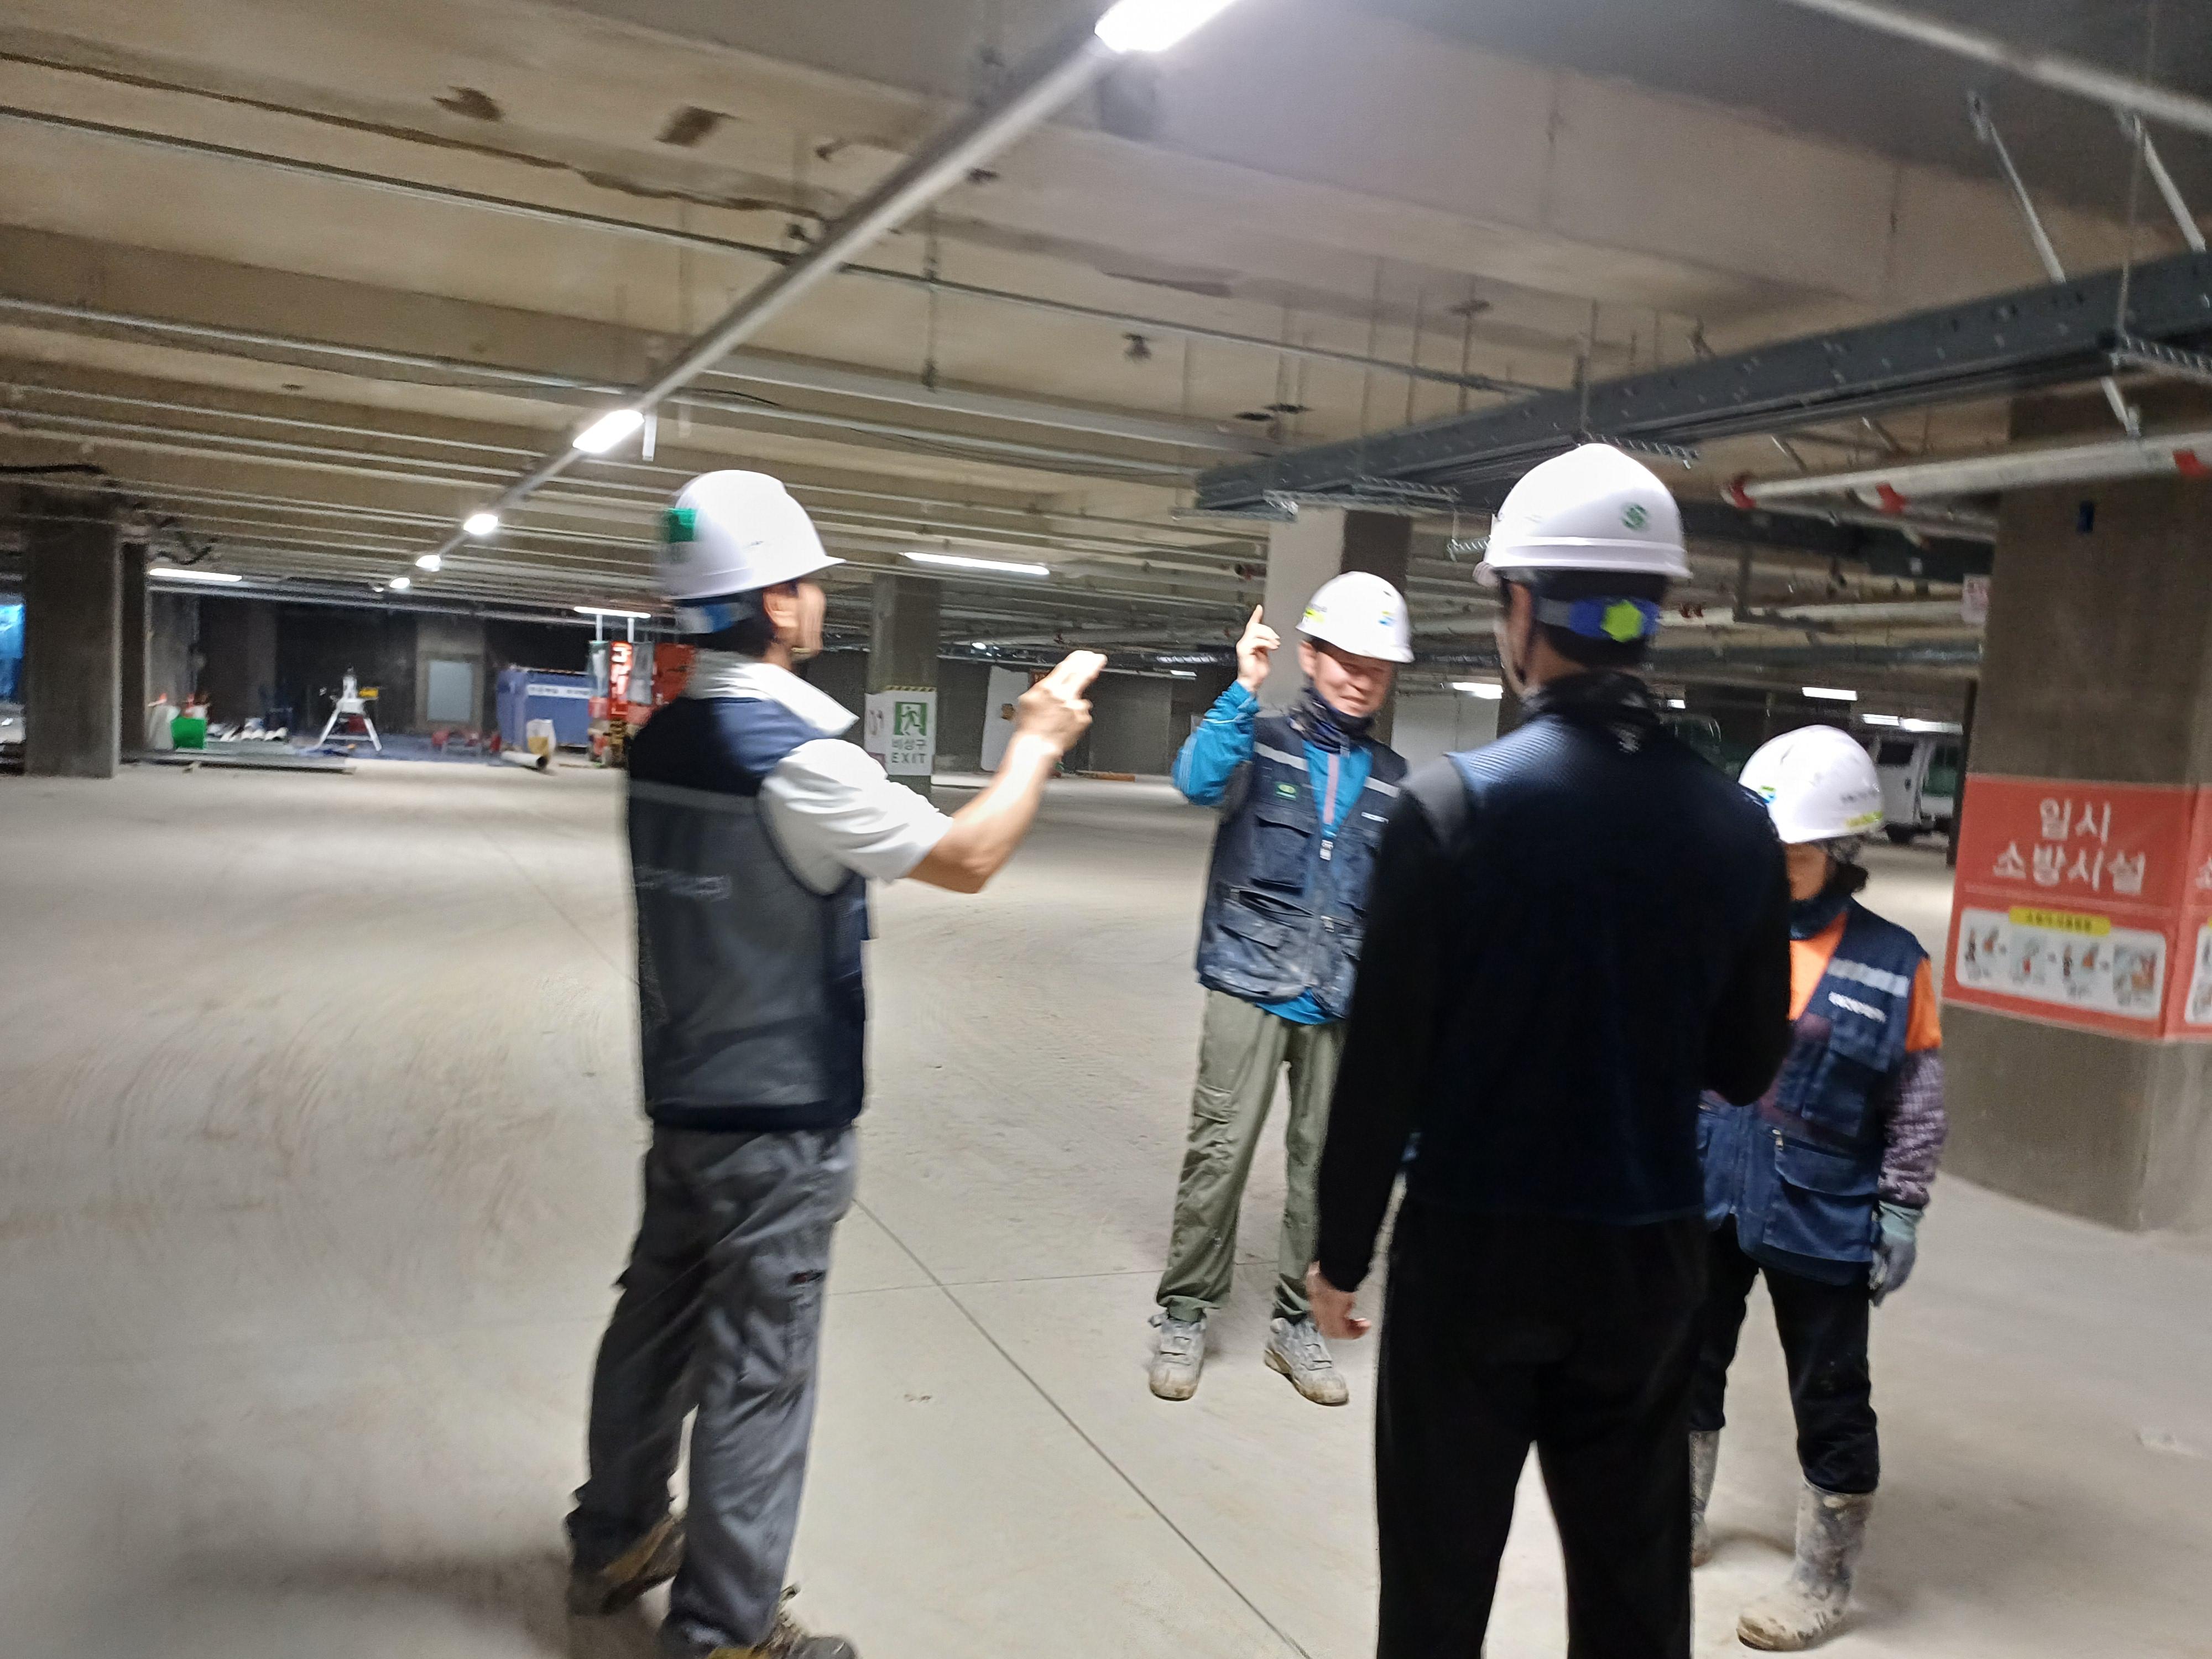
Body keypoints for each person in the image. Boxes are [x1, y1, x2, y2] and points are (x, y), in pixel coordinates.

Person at [566, 469, 1103, 1659]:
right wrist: (1035, 743)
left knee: (652, 1324)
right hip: (778, 1122)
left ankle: (614, 1537)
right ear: (773, 603)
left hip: (686, 1095)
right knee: (758, 1375)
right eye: (807, 582)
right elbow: (967, 857)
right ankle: (725, 1631)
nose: (818, 599)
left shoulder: (661, 740)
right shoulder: (796, 759)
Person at [1306, 444, 1795, 1658]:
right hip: (1646, 1259)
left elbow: (1382, 1069)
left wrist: (1340, 1250)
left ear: (1521, 606)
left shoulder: (1450, 808)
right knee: (1633, 1603)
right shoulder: (1738, 829)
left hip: (1473, 1253)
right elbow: (1745, 1067)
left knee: (1435, 1593)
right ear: (1652, 614)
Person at [1688, 724, 1947, 1652]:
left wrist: (1901, 1208)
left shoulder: (1895, 962)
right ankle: (1677, 1515)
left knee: (1832, 1395)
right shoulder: (1723, 931)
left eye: (1792, 856)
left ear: (1839, 851)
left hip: (1820, 1207)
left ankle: (1822, 1579)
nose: (1772, 871)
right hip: (1710, 1188)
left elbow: (1918, 1098)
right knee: (1687, 1360)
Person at [1148, 573, 1412, 1406]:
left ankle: (1296, 1323)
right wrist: (1242, 688)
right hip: (1249, 979)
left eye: (1378, 666)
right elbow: (1195, 782)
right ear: (1312, 655)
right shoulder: (1256, 742)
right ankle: (1185, 1310)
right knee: (1220, 1152)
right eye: (1347, 660)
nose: (1361, 678)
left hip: (1339, 996)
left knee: (1324, 1169)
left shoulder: (1394, 778)